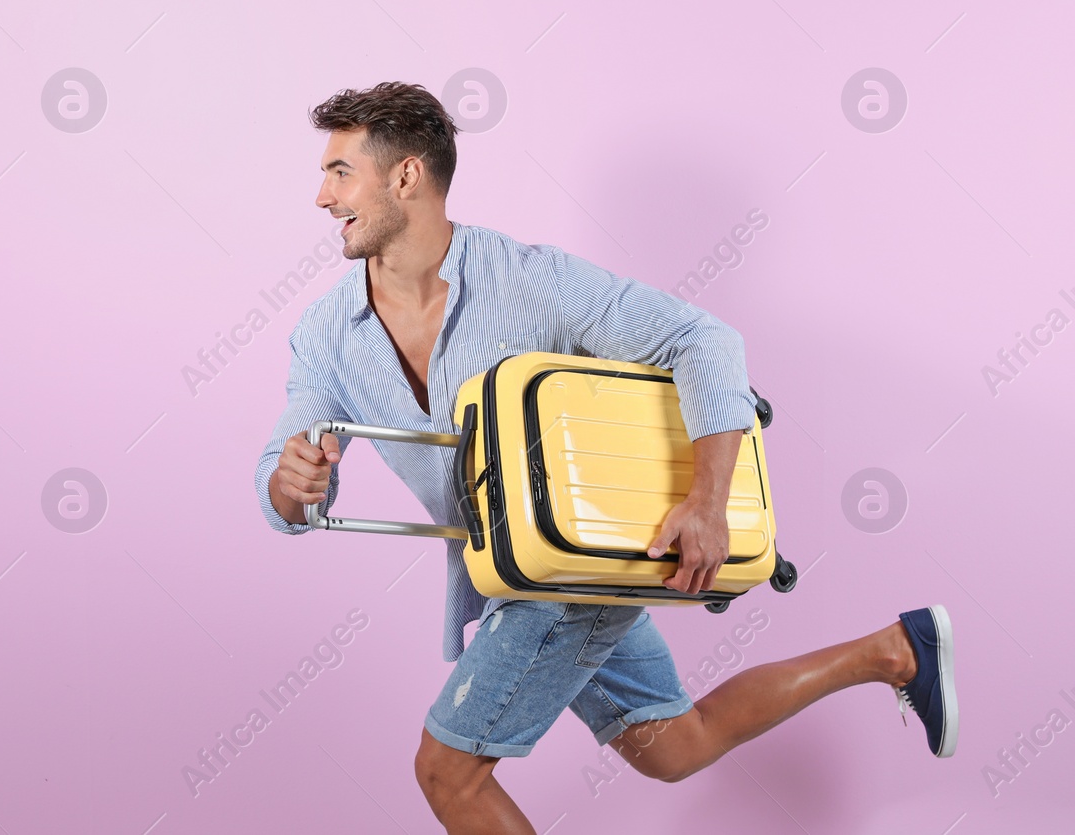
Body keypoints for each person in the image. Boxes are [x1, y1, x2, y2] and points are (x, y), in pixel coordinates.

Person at [253, 81, 958, 833]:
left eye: (339, 172)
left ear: (406, 175)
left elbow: (703, 340)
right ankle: (894, 650)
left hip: (568, 568)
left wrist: (708, 503)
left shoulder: (532, 280)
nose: (322, 197)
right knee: (673, 747)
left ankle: (894, 650)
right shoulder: (327, 331)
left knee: (446, 772)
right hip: (505, 571)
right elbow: (283, 468)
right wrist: (292, 482)